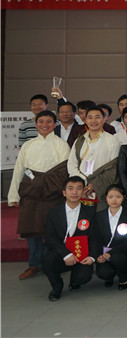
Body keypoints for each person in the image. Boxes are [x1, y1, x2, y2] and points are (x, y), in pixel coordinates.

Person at [9, 110, 70, 280]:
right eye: (41, 121)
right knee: (32, 229)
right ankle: (34, 264)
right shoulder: (28, 145)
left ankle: (51, 263)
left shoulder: (61, 145)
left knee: (52, 231)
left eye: (49, 121)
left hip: (53, 192)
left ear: (55, 124)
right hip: (31, 191)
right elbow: (19, 169)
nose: (45, 124)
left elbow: (64, 172)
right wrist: (14, 195)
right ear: (36, 124)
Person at [42, 176, 97, 301]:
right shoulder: (53, 212)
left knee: (83, 277)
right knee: (47, 260)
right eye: (70, 188)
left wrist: (92, 257)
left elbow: (94, 236)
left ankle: (75, 280)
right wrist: (66, 254)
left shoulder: (90, 211)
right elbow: (49, 237)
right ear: (64, 193)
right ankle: (57, 287)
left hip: (82, 254)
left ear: (83, 191)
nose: (74, 192)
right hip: (61, 252)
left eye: (79, 188)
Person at [67, 106, 120, 210]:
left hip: (102, 188)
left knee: (100, 216)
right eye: (90, 117)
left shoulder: (112, 140)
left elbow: (113, 168)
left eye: (97, 117)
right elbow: (72, 164)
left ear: (104, 119)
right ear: (85, 120)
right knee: (83, 217)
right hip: (81, 188)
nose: (93, 121)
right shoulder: (79, 140)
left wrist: (94, 185)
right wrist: (82, 182)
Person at [94, 184, 127, 290]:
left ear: (123, 198)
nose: (114, 200)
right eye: (111, 197)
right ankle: (110, 276)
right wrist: (98, 255)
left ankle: (123, 277)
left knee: (117, 258)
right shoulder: (99, 216)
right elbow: (96, 238)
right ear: (106, 198)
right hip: (104, 253)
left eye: (118, 197)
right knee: (104, 273)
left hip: (123, 252)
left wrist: (111, 253)